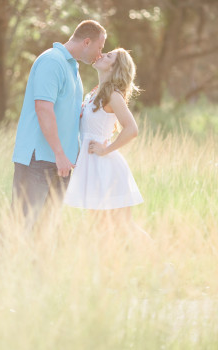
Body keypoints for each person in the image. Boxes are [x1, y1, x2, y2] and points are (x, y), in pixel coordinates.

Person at [11, 20, 106, 228]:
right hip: (39, 160)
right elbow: (43, 109)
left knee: (46, 230)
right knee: (23, 226)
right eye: (99, 48)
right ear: (87, 42)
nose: (100, 54)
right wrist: (60, 153)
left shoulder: (73, 69)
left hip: (60, 164)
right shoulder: (52, 61)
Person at [64, 48, 144, 229]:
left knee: (124, 225)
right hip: (92, 166)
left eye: (109, 56)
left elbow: (132, 129)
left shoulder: (112, 95)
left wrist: (105, 150)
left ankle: (158, 257)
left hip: (106, 167)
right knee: (99, 225)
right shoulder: (93, 94)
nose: (101, 55)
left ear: (114, 68)